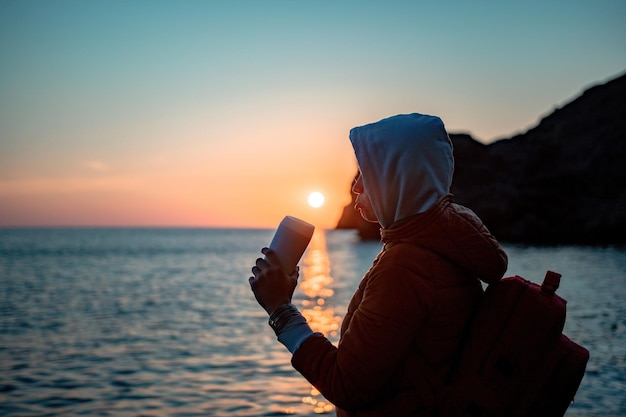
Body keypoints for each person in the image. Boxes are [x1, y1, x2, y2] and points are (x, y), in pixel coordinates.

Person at [249, 113, 508, 416]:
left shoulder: (405, 266)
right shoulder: (444, 246)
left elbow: (346, 386)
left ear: (397, 179)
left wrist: (281, 311)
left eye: (366, 174)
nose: (356, 187)